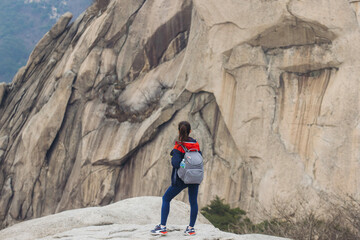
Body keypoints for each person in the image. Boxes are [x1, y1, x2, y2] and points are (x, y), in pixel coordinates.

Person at [151, 121, 201, 236]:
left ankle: (162, 227)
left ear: (179, 131)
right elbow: (199, 158)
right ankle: (191, 229)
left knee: (166, 198)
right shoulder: (196, 144)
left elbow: (175, 163)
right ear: (190, 131)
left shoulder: (179, 146)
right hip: (195, 176)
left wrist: (174, 154)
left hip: (182, 179)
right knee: (193, 202)